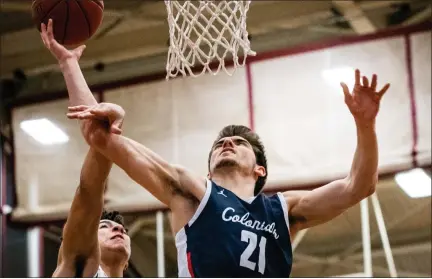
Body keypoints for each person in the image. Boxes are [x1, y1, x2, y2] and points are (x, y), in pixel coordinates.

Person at [56, 23, 389, 279]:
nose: (226, 144)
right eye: (219, 145)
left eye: (239, 143)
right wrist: (72, 67)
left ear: (260, 170)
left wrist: (365, 126)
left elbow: (359, 186)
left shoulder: (285, 210)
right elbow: (99, 136)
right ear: (210, 167)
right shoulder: (192, 193)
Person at [40, 20, 131, 278]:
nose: (118, 230)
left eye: (122, 230)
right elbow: (90, 190)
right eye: (103, 226)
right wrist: (69, 65)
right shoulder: (79, 267)